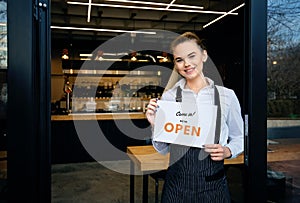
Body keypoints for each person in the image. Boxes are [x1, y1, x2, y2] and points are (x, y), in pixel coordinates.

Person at [146, 32, 244, 202]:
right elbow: (163, 149)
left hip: (214, 187)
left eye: (192, 56)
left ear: (204, 55)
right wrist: (156, 126)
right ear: (176, 64)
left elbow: (240, 137)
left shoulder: (226, 96)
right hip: (176, 187)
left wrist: (228, 151)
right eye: (179, 59)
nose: (186, 64)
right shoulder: (169, 97)